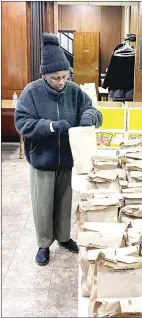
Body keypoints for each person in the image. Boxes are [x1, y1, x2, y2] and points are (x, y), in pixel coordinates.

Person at [14, 33, 103, 266]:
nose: (61, 82)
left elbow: (96, 112)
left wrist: (89, 116)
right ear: (44, 75)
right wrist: (51, 126)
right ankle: (44, 243)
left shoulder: (74, 91)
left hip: (67, 158)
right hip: (42, 160)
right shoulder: (31, 92)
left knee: (64, 202)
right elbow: (21, 123)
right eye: (55, 78)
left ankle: (64, 238)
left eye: (65, 76)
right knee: (43, 204)